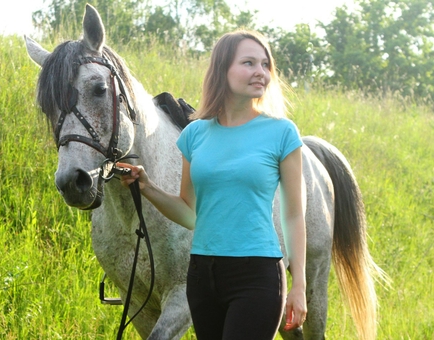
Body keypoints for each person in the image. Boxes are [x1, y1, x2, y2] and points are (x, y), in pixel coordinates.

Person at [118, 29, 307, 339]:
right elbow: (190, 213)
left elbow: (293, 215)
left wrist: (298, 285)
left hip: (257, 276)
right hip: (202, 275)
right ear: (222, 70)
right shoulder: (194, 134)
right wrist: (147, 187)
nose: (260, 72)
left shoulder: (282, 132)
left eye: (265, 64)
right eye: (248, 63)